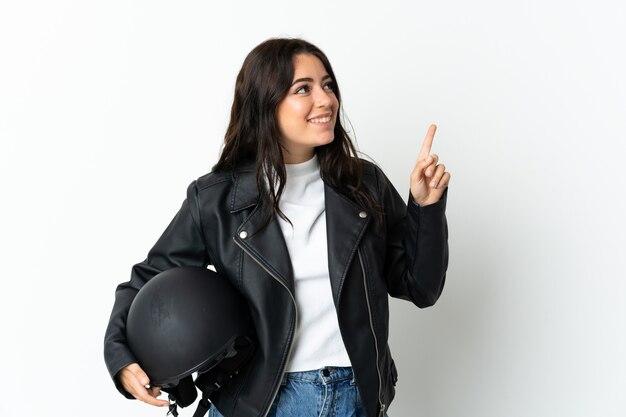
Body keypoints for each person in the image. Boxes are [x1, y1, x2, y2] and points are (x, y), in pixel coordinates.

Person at [104, 38, 450, 417]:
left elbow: (419, 286)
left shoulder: (363, 184)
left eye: (328, 85)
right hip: (264, 402)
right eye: (304, 88)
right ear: (266, 104)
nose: (326, 100)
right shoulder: (218, 199)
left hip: (355, 397)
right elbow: (148, 278)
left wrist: (426, 207)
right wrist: (122, 359)